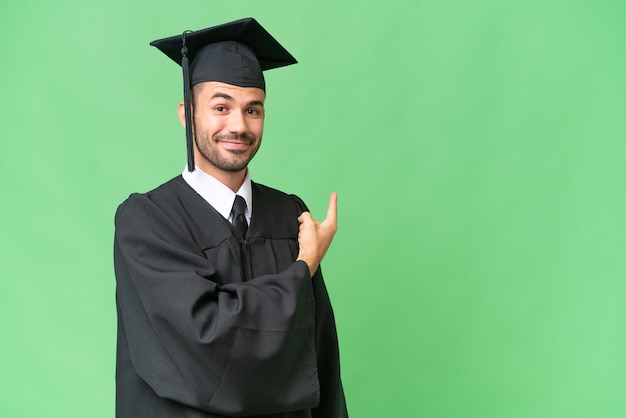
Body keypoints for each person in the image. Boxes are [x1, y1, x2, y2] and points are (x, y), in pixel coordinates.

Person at [113, 17, 348, 417]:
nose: (238, 125)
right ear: (187, 115)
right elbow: (209, 339)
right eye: (221, 107)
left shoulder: (290, 215)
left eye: (252, 109)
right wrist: (303, 267)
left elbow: (320, 355)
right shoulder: (148, 220)